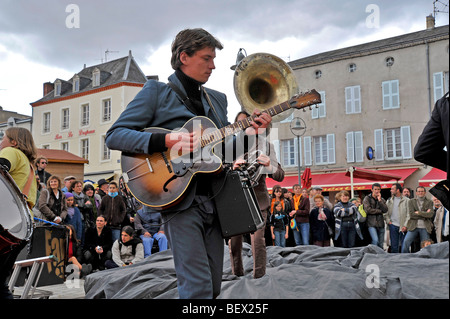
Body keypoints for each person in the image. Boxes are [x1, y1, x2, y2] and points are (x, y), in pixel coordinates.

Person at [105, 28, 272, 298]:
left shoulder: (217, 99)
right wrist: (168, 140)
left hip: (216, 202)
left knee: (214, 287)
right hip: (179, 201)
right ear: (184, 56)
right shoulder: (156, 92)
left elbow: (225, 153)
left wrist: (254, 134)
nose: (213, 65)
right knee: (196, 289)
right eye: (206, 58)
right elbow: (115, 136)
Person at [229, 110, 284, 279]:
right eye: (240, 123)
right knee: (234, 243)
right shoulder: (230, 146)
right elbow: (218, 172)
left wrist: (269, 165)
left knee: (258, 242)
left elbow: (280, 176)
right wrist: (232, 167)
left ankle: (259, 278)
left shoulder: (267, 145)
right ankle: (237, 276)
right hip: (236, 200)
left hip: (259, 200)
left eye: (248, 122)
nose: (245, 125)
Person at [0, 127, 37, 299]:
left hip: (5, 225)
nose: (1, 142)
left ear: (14, 142)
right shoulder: (29, 167)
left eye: (3, 138)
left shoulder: (11, 152)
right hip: (21, 229)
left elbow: (1, 167)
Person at [401, 186, 434, 253]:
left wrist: (418, 212)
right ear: (416, 193)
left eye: (422, 191)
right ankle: (404, 258)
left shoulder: (430, 202)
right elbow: (412, 215)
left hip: (425, 227)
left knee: (426, 246)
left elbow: (430, 215)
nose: (420, 193)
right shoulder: (411, 201)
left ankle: (425, 259)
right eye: (419, 191)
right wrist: (425, 214)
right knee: (406, 242)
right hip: (413, 226)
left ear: (425, 192)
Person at [385, 183, 410, 253]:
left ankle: (405, 261)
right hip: (393, 225)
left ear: (398, 190)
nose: (391, 190)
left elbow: (409, 214)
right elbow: (385, 212)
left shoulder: (407, 200)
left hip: (403, 226)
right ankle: (395, 262)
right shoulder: (389, 200)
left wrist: (405, 225)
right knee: (394, 246)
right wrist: (388, 221)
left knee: (404, 246)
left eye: (392, 189)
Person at [363, 183, 388, 249]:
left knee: (381, 243)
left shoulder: (382, 199)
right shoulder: (367, 198)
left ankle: (380, 257)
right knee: (375, 240)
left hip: (381, 223)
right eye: (375, 189)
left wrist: (379, 200)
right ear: (372, 190)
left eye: (378, 189)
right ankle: (372, 254)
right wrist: (379, 211)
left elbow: (385, 210)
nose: (377, 191)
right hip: (371, 223)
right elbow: (368, 210)